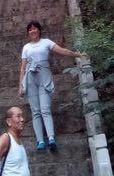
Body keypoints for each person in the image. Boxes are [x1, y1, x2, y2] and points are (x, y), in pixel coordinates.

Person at [18, 21, 85, 151]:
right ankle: (40, 141)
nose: (32, 31)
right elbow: (22, 68)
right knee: (35, 111)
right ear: (28, 32)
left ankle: (51, 138)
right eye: (30, 29)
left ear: (39, 30)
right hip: (30, 79)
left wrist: (78, 54)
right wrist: (20, 85)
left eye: (34, 28)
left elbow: (63, 51)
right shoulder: (26, 47)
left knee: (45, 109)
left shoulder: (46, 42)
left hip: (44, 77)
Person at [0, 106, 30, 176]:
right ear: (9, 121)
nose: (22, 119)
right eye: (18, 116)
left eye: (22, 116)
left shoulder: (18, 140)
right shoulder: (6, 138)